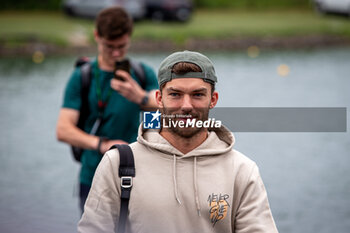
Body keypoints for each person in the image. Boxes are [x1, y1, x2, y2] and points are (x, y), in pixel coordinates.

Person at [78, 51, 278, 233]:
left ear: (213, 99)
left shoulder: (241, 170)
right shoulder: (118, 164)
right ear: (159, 98)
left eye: (198, 95)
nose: (186, 106)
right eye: (175, 94)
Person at [56, 6, 159, 213]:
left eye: (121, 46)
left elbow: (164, 116)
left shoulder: (143, 73)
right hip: (93, 174)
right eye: (109, 46)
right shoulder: (81, 77)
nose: (116, 53)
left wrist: (140, 97)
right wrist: (102, 144)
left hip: (137, 174)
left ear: (129, 36)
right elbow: (63, 130)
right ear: (96, 36)